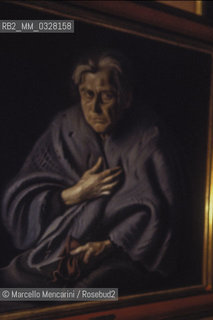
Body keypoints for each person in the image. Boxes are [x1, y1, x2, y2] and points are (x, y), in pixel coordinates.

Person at [1, 51, 180, 291]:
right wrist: (74, 194)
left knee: (87, 291)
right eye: (87, 95)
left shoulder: (148, 139)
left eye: (106, 96)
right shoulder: (64, 127)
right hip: (57, 251)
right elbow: (20, 201)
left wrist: (106, 246)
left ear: (126, 98)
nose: (94, 108)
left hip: (122, 256)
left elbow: (158, 212)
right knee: (15, 285)